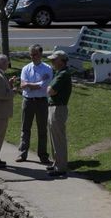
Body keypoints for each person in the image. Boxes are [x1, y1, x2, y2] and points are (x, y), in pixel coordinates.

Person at [16, 44, 53, 164]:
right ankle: (22, 153)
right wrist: (35, 85)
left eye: (35, 54)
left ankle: (43, 155)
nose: (33, 57)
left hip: (42, 101)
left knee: (42, 129)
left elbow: (43, 86)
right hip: (28, 101)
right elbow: (22, 85)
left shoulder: (47, 68)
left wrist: (30, 85)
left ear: (41, 54)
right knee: (25, 128)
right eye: (31, 55)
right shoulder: (26, 68)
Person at [46, 50, 72, 178]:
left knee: (58, 138)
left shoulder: (63, 74)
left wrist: (48, 88)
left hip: (58, 109)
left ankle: (61, 167)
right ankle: (56, 162)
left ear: (62, 61)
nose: (52, 62)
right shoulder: (59, 73)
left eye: (54, 60)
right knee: (53, 138)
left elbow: (51, 91)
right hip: (54, 107)